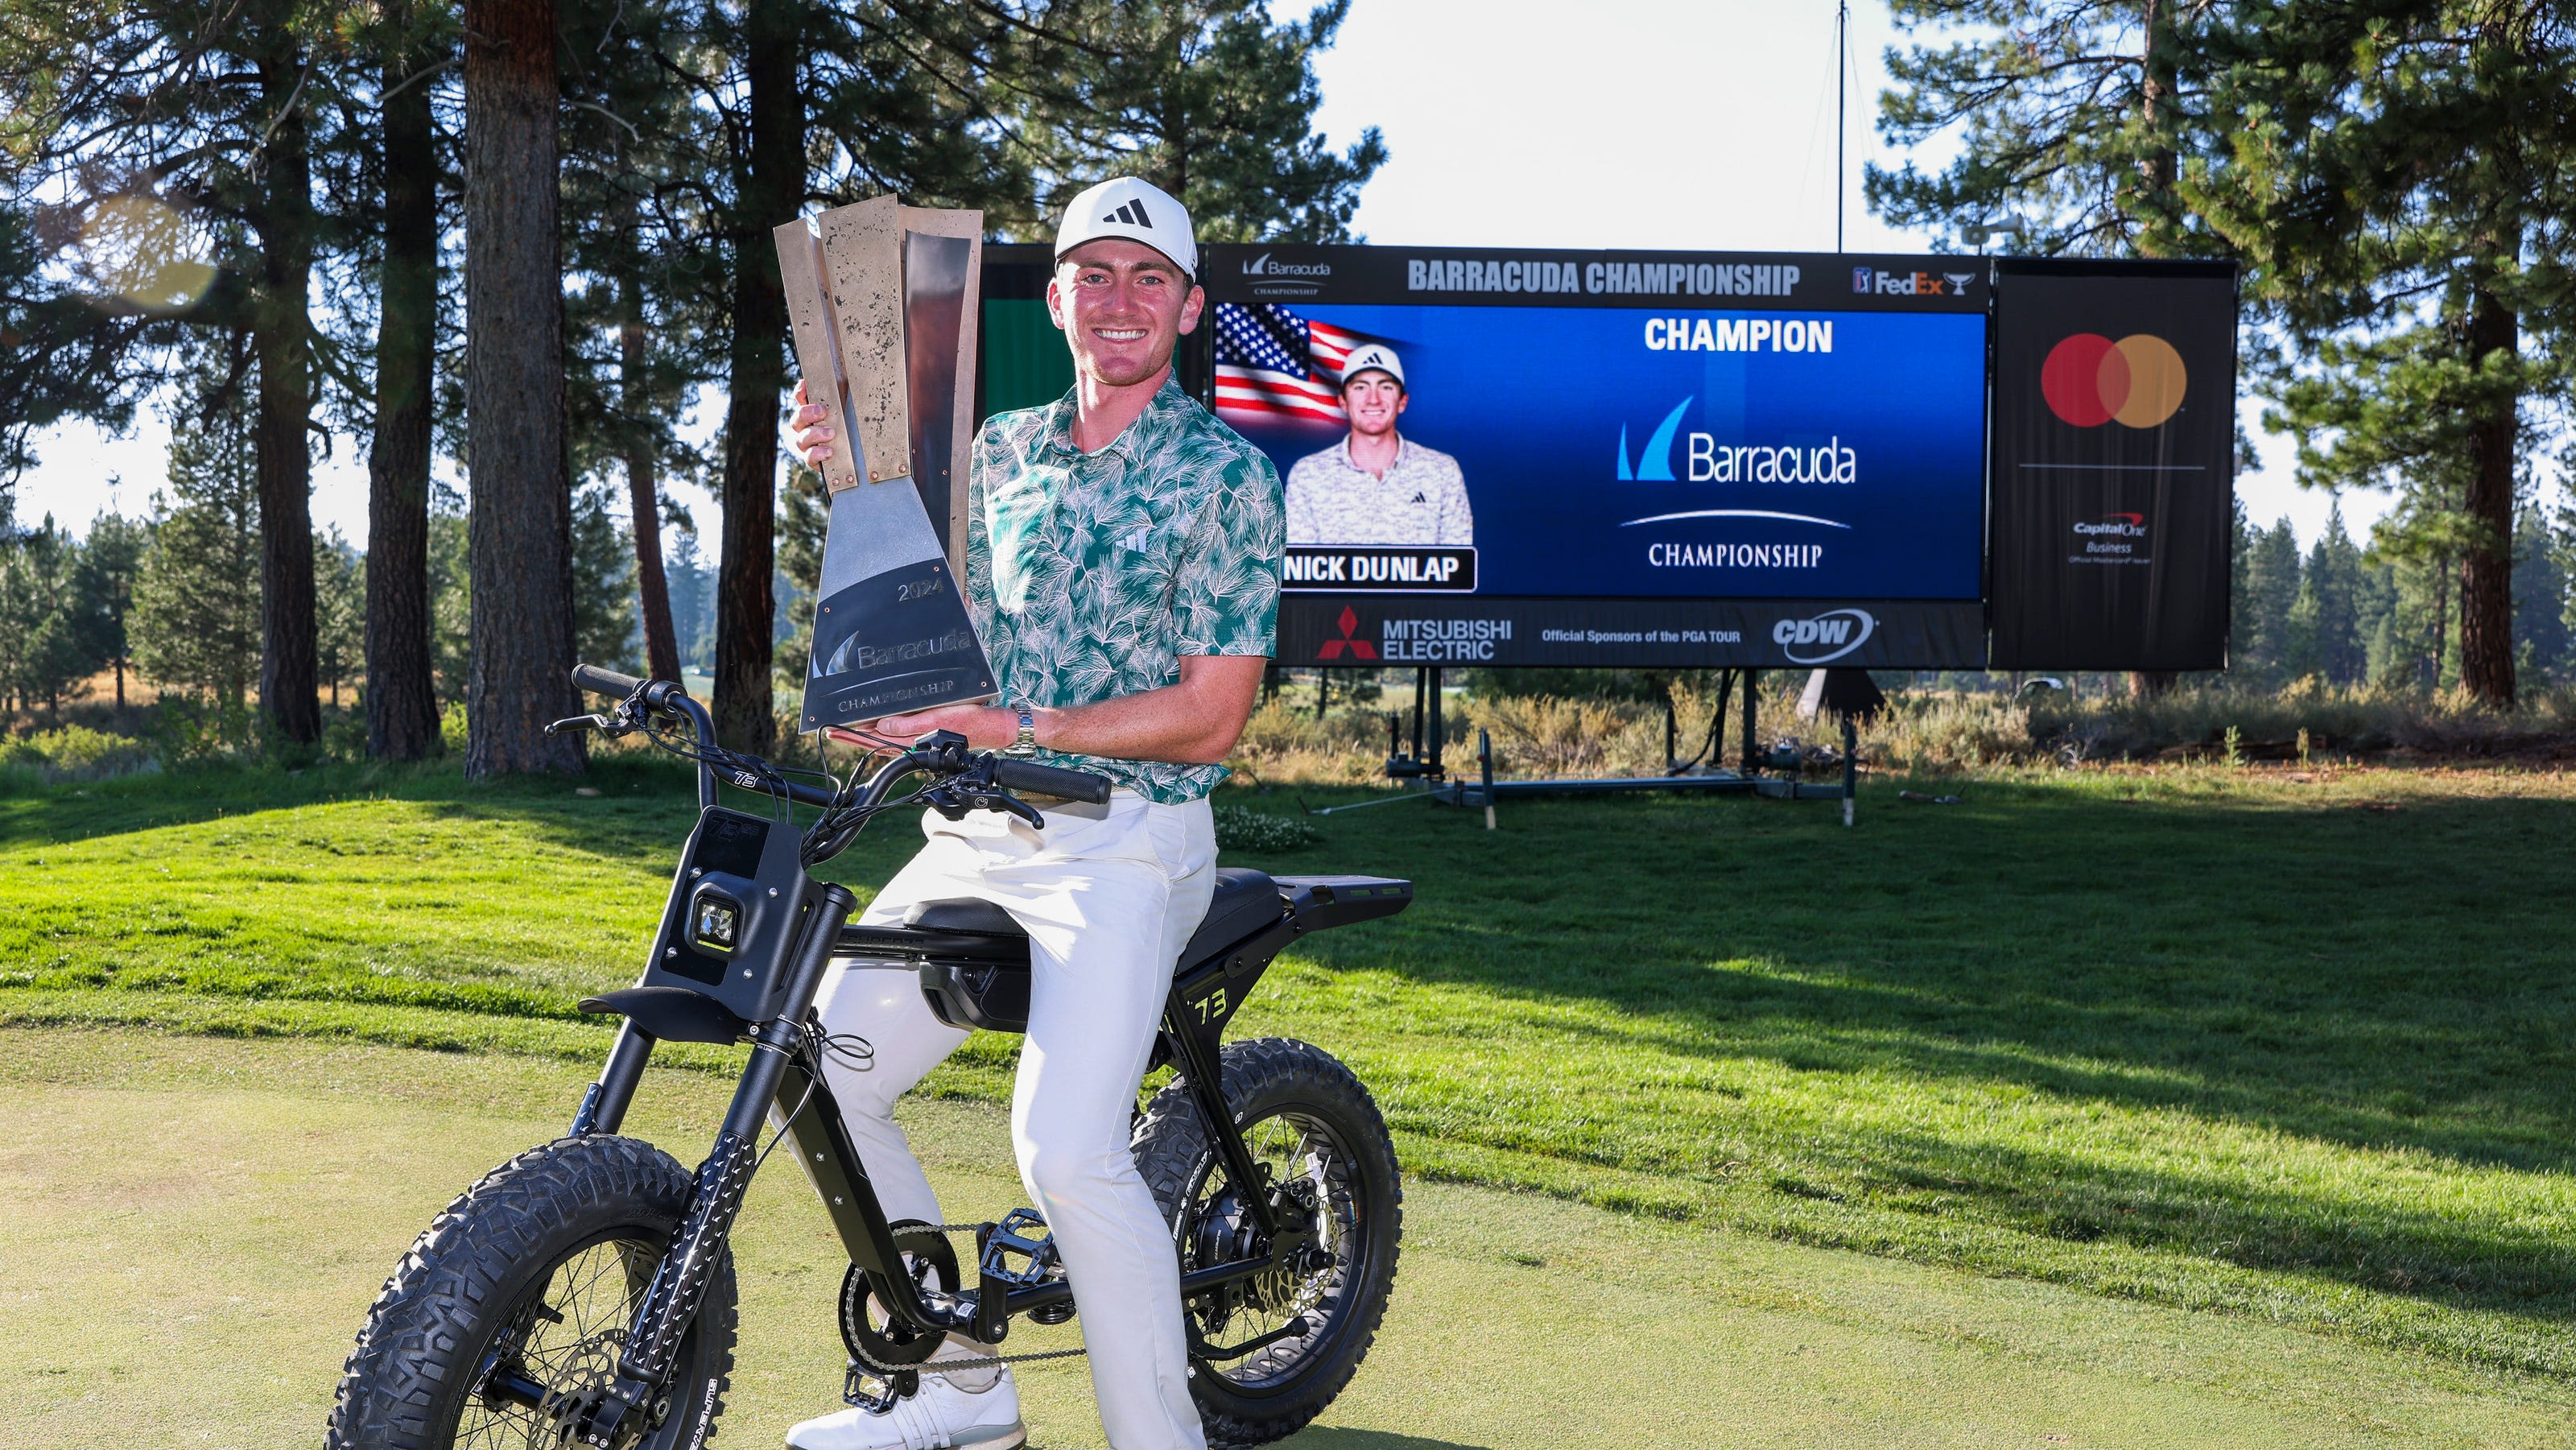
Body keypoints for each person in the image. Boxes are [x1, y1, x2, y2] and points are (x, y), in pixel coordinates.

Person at [778, 176, 1284, 1450]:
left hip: (1127, 840)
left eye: (1148, 279)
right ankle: (961, 1388)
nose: (1120, 300)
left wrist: (1023, 731)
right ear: (1055, 298)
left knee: (1064, 1150)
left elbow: (1213, 715)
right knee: (822, 1072)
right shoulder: (995, 447)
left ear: (1186, 310)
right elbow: (926, 620)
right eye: (1095, 275)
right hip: (977, 830)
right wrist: (853, 472)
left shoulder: (1227, 475)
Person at [1282, 342, 1473, 545]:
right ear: (1343, 401)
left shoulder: (1442, 471)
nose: (1373, 399)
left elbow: (1459, 568)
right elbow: (1298, 567)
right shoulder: (1308, 474)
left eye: (1386, 387)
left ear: (1402, 401)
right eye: (1360, 387)